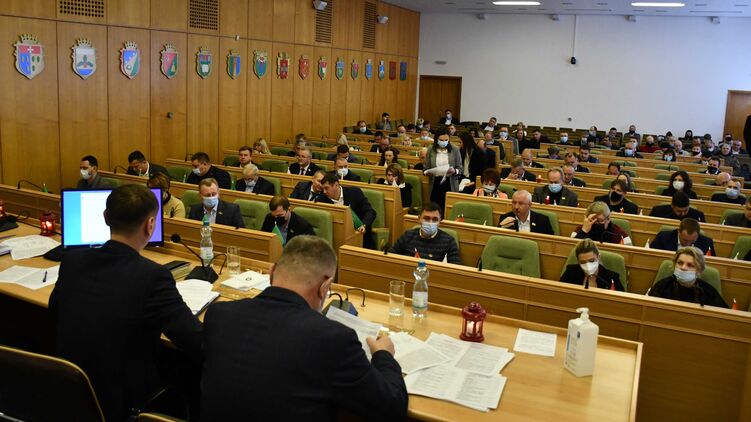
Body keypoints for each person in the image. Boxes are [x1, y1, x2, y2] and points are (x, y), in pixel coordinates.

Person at [200, 235, 407, 420]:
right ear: (325, 287)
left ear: (272, 272)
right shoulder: (334, 339)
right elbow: (392, 407)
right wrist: (384, 355)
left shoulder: (219, 314)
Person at [50, 184, 202, 421]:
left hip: (72, 391)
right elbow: (193, 339)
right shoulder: (153, 276)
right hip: (123, 403)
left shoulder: (72, 260)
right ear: (150, 225)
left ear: (105, 217)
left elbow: (55, 310)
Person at [648, 247, 728, 308]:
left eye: (690, 265)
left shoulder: (708, 292)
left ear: (699, 270)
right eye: (680, 263)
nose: (683, 267)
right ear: (674, 264)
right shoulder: (662, 287)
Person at [316, 172, 376, 249]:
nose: (324, 192)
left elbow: (370, 212)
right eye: (323, 189)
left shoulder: (354, 192)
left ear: (336, 185)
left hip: (360, 238)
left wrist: (364, 225)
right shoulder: (322, 199)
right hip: (335, 240)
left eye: (326, 188)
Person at [389, 202, 461, 264]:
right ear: (419, 219)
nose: (430, 222)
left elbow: (455, 268)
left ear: (439, 222)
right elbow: (390, 256)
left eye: (435, 219)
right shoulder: (408, 235)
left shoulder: (449, 241)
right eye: (426, 218)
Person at [559, 239, 624, 291]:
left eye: (591, 260)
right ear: (578, 261)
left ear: (598, 257)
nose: (588, 265)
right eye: (583, 262)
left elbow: (621, 299)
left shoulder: (612, 278)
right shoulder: (570, 272)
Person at [424, 129, 462, 211]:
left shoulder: (455, 149)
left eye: (446, 140)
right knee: (434, 208)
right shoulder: (431, 149)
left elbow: (460, 169)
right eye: (441, 140)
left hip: (449, 182)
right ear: (436, 139)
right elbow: (425, 168)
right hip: (435, 182)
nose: (444, 142)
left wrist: (454, 171)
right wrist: (427, 172)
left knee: (449, 208)